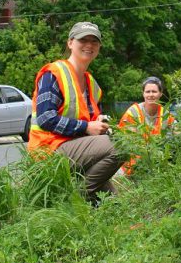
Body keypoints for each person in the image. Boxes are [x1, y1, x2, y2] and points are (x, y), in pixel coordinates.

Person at [28, 21, 122, 203]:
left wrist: (100, 124)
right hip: (48, 151)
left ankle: (79, 200)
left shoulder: (91, 84)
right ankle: (76, 199)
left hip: (76, 148)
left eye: (94, 41)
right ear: (70, 43)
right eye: (83, 40)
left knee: (113, 205)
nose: (89, 45)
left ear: (99, 47)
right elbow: (46, 118)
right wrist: (87, 127)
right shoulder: (54, 73)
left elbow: (91, 122)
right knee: (121, 147)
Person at [118, 76, 175, 175]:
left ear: (161, 94)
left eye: (154, 91)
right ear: (143, 93)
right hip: (134, 163)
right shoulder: (133, 112)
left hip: (158, 162)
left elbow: (179, 134)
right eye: (148, 92)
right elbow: (129, 143)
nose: (151, 95)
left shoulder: (165, 113)